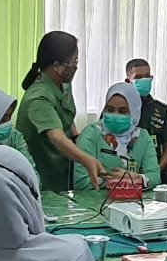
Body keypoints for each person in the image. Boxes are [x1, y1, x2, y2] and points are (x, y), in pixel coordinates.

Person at [17, 31, 104, 190]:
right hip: (41, 172)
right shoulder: (38, 98)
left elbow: (67, 115)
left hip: (62, 168)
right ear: (57, 66)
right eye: (74, 61)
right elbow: (56, 137)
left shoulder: (63, 84)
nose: (76, 66)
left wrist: (78, 137)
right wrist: (86, 159)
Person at [74, 82, 161, 191]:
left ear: (134, 112)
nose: (115, 115)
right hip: (96, 203)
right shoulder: (91, 133)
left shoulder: (142, 137)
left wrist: (138, 178)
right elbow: (81, 182)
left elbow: (155, 177)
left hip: (134, 204)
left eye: (123, 111)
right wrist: (121, 182)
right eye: (110, 110)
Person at [126, 59, 167, 181]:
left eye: (147, 76)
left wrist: (154, 171)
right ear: (128, 81)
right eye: (138, 77)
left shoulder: (160, 110)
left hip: (157, 167)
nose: (144, 80)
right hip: (125, 169)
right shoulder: (118, 107)